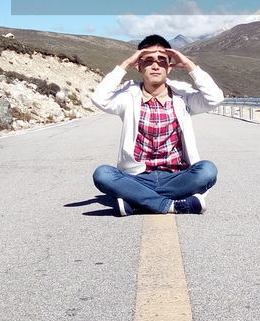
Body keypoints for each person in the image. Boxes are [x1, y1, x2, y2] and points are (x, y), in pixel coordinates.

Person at [91, 34, 223, 216]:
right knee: (103, 174)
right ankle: (172, 205)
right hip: (137, 177)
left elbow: (215, 98)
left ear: (169, 67)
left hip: (177, 176)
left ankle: (137, 201)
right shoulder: (128, 96)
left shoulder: (182, 95)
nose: (155, 65)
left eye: (162, 60)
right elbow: (99, 98)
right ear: (139, 66)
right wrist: (126, 63)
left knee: (207, 170)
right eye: (148, 60)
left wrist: (188, 64)